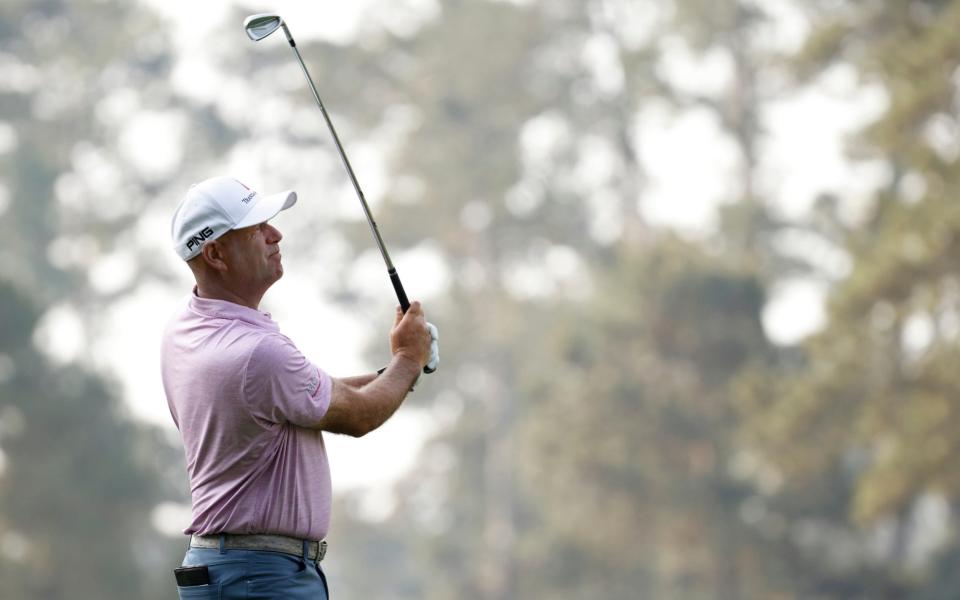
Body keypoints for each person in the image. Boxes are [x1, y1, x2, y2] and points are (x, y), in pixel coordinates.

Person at [161, 176, 435, 599]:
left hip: (228, 569)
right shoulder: (259, 353)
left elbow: (315, 397)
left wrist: (402, 369)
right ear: (215, 253)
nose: (276, 234)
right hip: (262, 577)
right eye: (257, 230)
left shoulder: (187, 327)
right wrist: (409, 359)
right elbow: (358, 415)